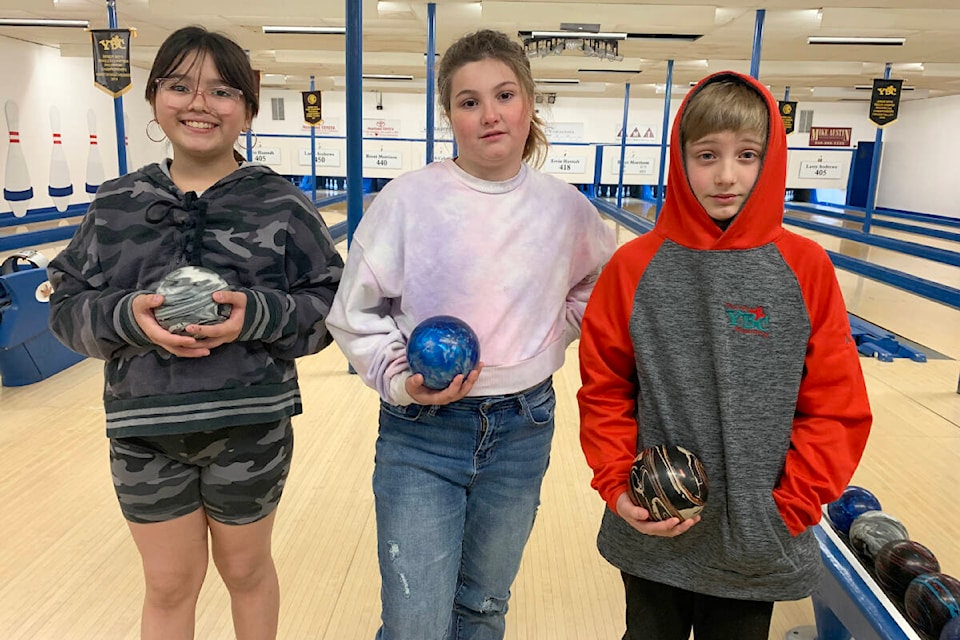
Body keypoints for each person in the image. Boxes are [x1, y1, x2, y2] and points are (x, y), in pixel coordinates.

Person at [47, 26, 343, 640]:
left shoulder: (281, 204)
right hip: (145, 430)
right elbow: (65, 303)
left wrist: (255, 316)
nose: (200, 104)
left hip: (249, 425)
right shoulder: (117, 203)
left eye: (223, 90)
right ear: (154, 99)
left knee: (246, 570)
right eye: (180, 86)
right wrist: (130, 319)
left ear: (248, 108)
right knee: (168, 584)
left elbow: (330, 304)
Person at [326, 28, 616, 640]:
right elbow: (354, 312)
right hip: (423, 433)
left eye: (505, 95)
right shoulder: (408, 200)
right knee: (415, 624)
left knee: (484, 608)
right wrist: (400, 380)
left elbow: (599, 286)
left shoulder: (567, 209)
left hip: (524, 427)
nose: (490, 114)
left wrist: (551, 333)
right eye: (469, 101)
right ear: (449, 114)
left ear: (529, 103)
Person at [577, 71, 873, 640]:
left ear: (771, 159)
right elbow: (605, 389)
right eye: (707, 155)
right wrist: (617, 484)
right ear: (680, 159)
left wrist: (789, 507)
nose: (727, 175)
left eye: (747, 155)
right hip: (654, 526)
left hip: (756, 537)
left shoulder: (805, 268)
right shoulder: (634, 267)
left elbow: (836, 405)